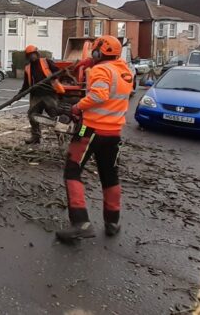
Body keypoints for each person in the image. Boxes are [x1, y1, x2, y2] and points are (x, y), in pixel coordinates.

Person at [56, 35, 134, 243]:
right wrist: (88, 63)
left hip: (89, 130)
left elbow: (99, 95)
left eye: (95, 51)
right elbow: (111, 81)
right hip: (113, 133)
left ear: (99, 52)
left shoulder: (101, 70)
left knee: (72, 171)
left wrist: (76, 107)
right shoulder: (124, 71)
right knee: (110, 175)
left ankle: (81, 222)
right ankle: (112, 221)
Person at [20, 45, 62, 145]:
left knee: (54, 116)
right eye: (30, 55)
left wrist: (53, 76)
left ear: (37, 54)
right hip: (36, 96)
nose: (32, 57)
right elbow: (26, 84)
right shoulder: (27, 68)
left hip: (49, 94)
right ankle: (35, 137)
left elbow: (58, 71)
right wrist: (19, 94)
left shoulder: (46, 61)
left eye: (33, 54)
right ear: (27, 56)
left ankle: (60, 136)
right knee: (32, 115)